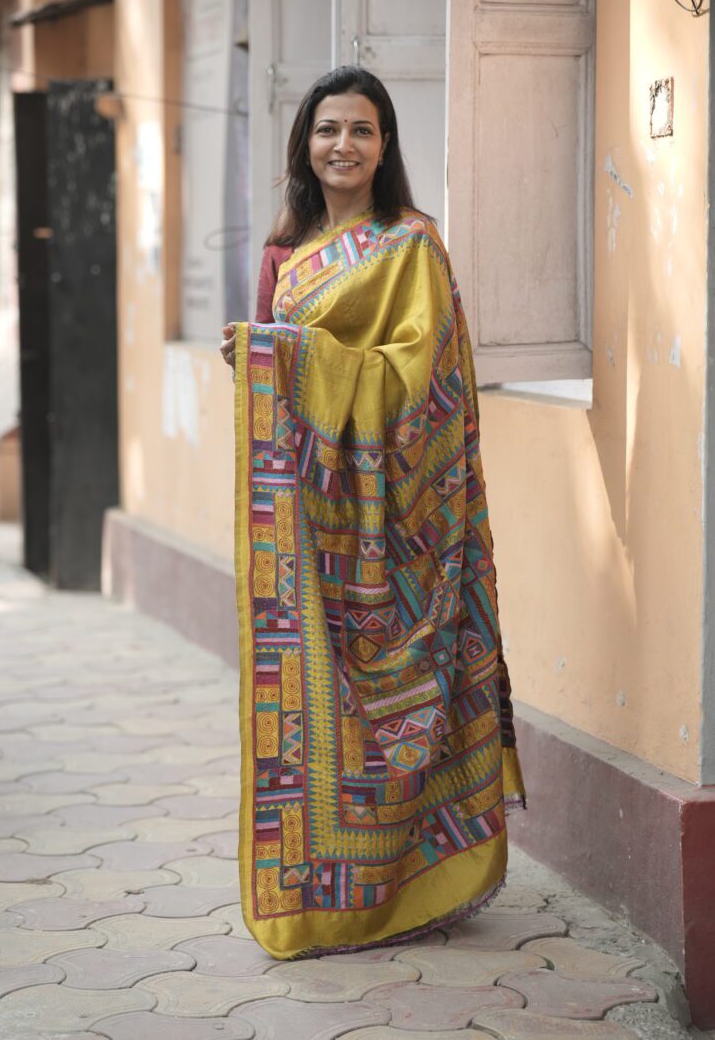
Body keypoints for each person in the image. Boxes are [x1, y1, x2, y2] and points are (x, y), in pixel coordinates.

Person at [220, 66, 525, 960]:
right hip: (311, 516)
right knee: (314, 700)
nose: (341, 145)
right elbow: (276, 373)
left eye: (360, 129)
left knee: (406, 688)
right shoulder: (288, 249)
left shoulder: (411, 247)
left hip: (405, 517)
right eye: (326, 130)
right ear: (303, 146)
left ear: (385, 146)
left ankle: (421, 876)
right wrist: (265, 362)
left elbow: (421, 376)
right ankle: (322, 893)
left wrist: (297, 358)